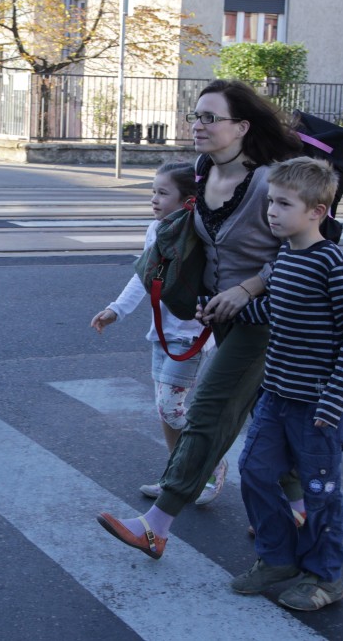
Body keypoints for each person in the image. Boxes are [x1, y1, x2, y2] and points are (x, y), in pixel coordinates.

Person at [96, 79, 303, 560]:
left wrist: (248, 286)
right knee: (262, 415)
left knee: (208, 410)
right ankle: (300, 507)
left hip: (264, 318)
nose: (198, 125)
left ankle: (156, 525)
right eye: (195, 115)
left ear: (242, 127)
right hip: (219, 316)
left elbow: (306, 248)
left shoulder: (271, 181)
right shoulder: (203, 170)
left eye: (211, 117)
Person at [221, 156, 343, 611]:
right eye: (270, 202)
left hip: (318, 406)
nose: (272, 212)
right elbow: (275, 312)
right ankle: (278, 559)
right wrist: (227, 309)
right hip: (277, 396)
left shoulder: (331, 262)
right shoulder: (283, 258)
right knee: (256, 472)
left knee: (321, 493)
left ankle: (325, 578)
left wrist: (335, 398)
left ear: (316, 212)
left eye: (283, 204)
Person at [90, 161, 216, 498]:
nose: (154, 199)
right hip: (162, 334)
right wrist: (116, 309)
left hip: (191, 335)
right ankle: (177, 475)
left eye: (163, 193)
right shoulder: (156, 229)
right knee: (166, 408)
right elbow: (144, 274)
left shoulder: (203, 232)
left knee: (170, 407)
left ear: (188, 199)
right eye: (153, 192)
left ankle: (209, 467)